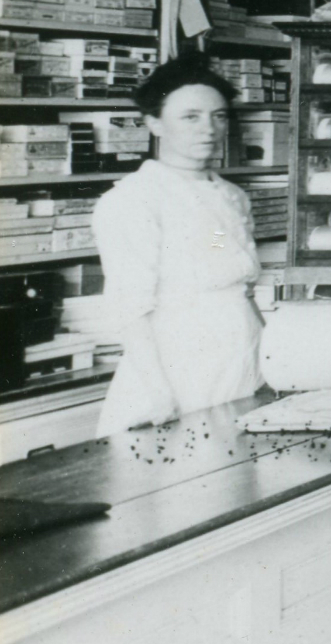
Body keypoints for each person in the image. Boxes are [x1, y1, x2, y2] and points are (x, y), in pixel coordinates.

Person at [92, 56, 264, 435]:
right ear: (154, 123)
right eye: (190, 117)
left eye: (219, 116)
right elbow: (130, 307)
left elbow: (222, 256)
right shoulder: (133, 200)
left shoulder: (226, 196)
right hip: (176, 372)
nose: (209, 129)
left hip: (239, 362)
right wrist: (159, 394)